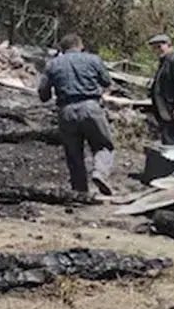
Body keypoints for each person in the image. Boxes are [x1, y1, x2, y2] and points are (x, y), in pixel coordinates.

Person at [38, 33, 116, 196]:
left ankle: (80, 193)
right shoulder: (93, 59)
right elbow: (107, 82)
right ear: (81, 46)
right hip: (90, 107)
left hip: (66, 111)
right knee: (103, 145)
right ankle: (100, 173)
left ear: (62, 48)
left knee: (73, 154)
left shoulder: (52, 64)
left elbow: (43, 94)